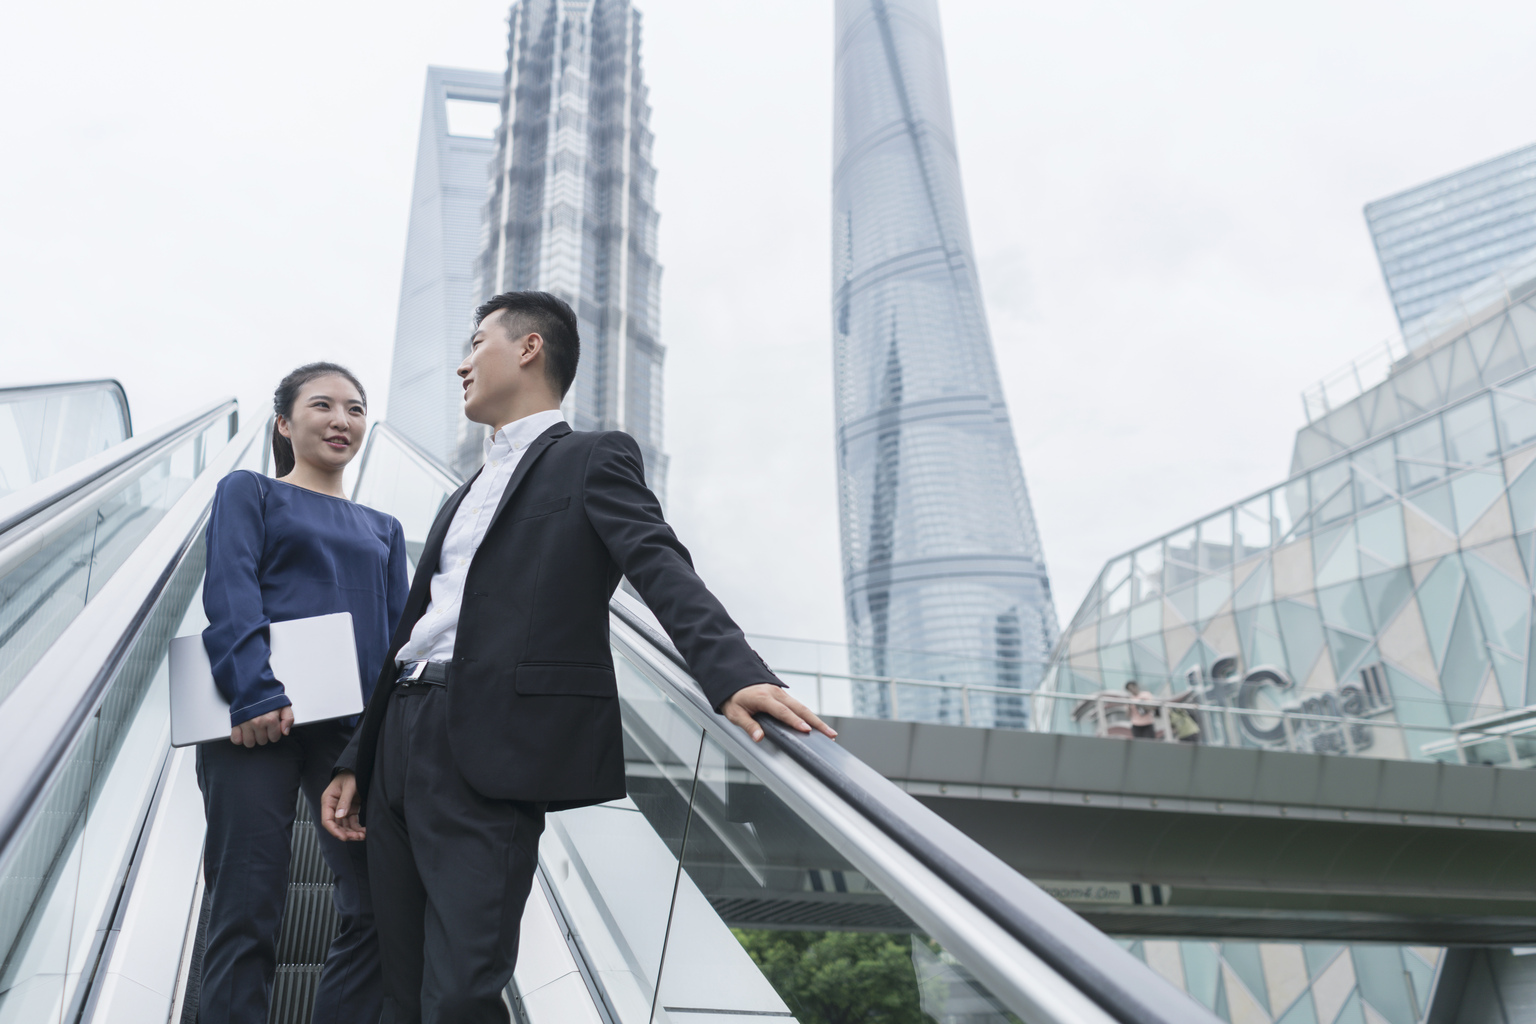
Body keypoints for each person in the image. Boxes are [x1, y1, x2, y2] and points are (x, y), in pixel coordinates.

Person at [320, 290, 835, 1024]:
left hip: (487, 743)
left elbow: (660, 563)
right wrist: (355, 756)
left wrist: (734, 672)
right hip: (398, 737)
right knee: (400, 989)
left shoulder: (592, 458)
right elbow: (415, 631)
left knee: (461, 988)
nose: (462, 364)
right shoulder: (460, 495)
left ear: (529, 348)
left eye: (477, 344)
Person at [197, 363, 408, 1024]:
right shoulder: (249, 491)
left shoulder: (385, 528)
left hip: (350, 736)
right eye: (322, 405)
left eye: (355, 407)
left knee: (378, 903)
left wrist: (381, 739)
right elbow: (230, 591)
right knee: (246, 900)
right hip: (255, 721)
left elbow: (397, 641)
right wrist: (254, 693)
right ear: (285, 424)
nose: (342, 420)